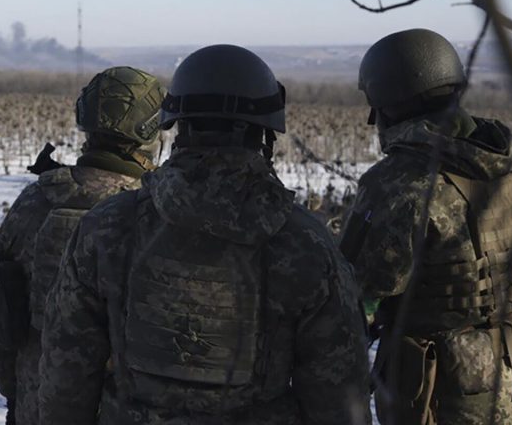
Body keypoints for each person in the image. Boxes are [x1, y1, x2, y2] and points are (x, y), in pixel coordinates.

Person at [39, 45, 371, 425]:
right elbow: (339, 397)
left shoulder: (106, 229)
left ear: (175, 123)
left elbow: (66, 376)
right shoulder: (306, 246)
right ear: (264, 133)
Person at [340, 28, 512, 424]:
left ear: (388, 104)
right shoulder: (509, 170)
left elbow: (357, 289)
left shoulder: (399, 183)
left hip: (449, 391)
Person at [0, 66, 164, 425]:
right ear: (150, 131)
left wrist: (18, 395)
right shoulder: (156, 214)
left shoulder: (35, 201)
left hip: (36, 406)